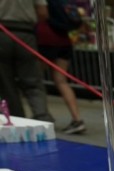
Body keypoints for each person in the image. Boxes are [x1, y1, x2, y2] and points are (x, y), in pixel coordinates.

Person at [0, 0, 54, 122]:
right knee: (33, 81)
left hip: (2, 33)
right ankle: (43, 117)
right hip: (26, 33)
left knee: (5, 85)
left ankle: (16, 120)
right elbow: (43, 13)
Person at [36, 0, 85, 134]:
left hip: (45, 40)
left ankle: (42, 116)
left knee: (35, 81)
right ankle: (77, 119)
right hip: (64, 41)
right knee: (62, 81)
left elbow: (42, 14)